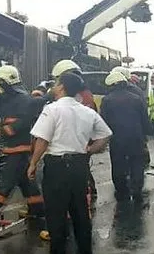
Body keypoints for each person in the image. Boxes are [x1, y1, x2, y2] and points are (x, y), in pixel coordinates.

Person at [28, 72, 113, 254]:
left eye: (57, 83)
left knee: (56, 215)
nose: (54, 86)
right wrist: (89, 149)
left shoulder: (52, 109)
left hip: (57, 167)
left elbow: (42, 140)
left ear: (61, 87)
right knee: (80, 213)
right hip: (79, 166)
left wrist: (33, 163)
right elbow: (105, 134)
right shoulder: (87, 111)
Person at [0, 66, 45, 221]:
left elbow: (23, 122)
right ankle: (38, 208)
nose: (0, 85)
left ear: (9, 81)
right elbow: (0, 117)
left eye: (2, 81)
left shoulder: (24, 99)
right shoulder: (6, 98)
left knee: (7, 179)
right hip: (12, 146)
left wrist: (2, 130)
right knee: (25, 181)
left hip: (20, 147)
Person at [50, 60, 98, 203]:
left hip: (77, 137)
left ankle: (83, 196)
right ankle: (89, 191)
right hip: (83, 136)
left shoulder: (77, 96)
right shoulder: (85, 93)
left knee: (77, 168)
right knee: (81, 166)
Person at [100, 71, 151, 201]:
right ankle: (137, 188)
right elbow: (144, 120)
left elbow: (103, 122)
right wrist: (147, 134)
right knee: (137, 163)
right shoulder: (136, 98)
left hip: (117, 138)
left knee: (118, 163)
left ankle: (122, 190)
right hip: (136, 137)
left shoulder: (107, 100)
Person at [111, 66, 151, 166]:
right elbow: (143, 113)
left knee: (120, 163)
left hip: (118, 135)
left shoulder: (113, 92)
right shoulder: (137, 91)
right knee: (136, 164)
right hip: (136, 134)